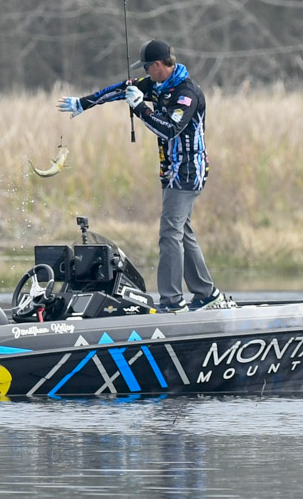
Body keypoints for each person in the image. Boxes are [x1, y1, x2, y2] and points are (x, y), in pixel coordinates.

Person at [57, 39, 223, 313]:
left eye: (146, 67)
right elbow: (122, 89)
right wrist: (83, 104)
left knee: (169, 233)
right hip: (171, 171)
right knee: (181, 230)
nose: (145, 73)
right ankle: (206, 293)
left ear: (158, 65)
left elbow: (169, 128)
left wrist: (140, 108)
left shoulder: (186, 93)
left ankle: (172, 301)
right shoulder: (157, 85)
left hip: (186, 173)